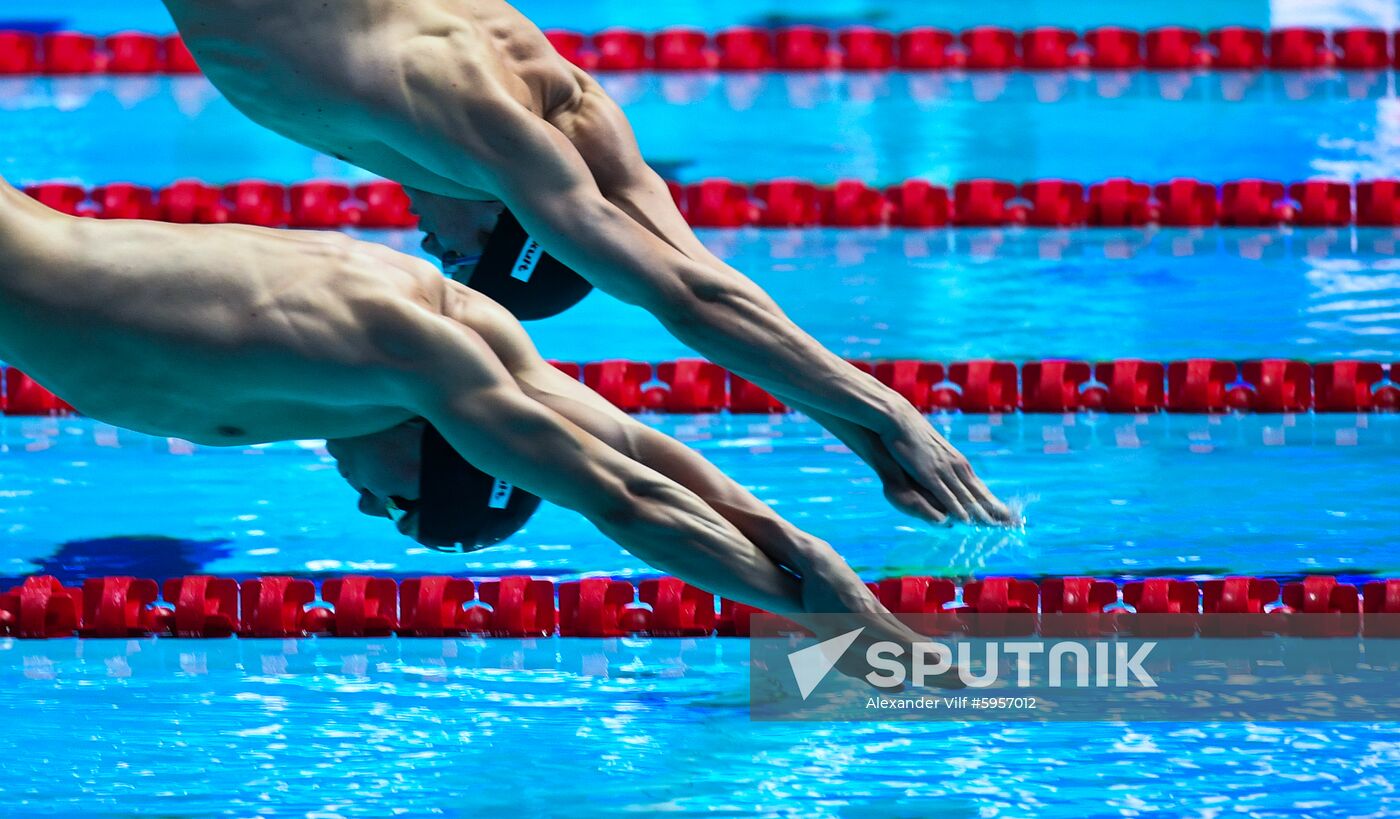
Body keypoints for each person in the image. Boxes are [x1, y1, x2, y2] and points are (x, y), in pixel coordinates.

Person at [0, 176, 957, 685]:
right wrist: (848, 628)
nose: (368, 504)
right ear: (444, 444)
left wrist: (793, 542)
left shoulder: (465, 329)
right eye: (400, 505)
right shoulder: (405, 355)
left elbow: (629, 445)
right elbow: (621, 497)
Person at [158, 0, 1014, 527]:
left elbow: (699, 272)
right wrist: (890, 413)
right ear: (510, 214)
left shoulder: (560, 94)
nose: (425, 241)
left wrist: (862, 435)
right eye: (453, 251)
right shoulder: (475, 120)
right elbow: (684, 294)